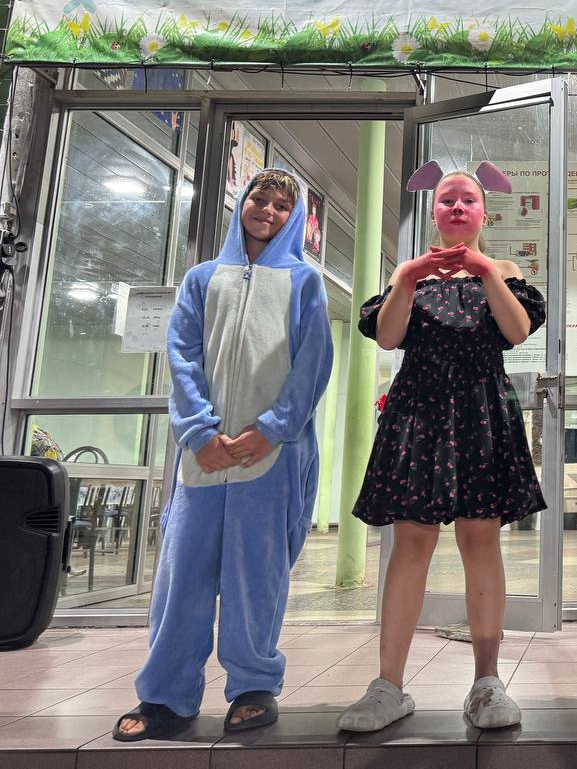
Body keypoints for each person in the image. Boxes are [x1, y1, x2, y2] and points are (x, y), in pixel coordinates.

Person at [113, 169, 334, 741]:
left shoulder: (304, 283)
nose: (268, 210)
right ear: (242, 203)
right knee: (181, 576)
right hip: (203, 458)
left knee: (257, 576)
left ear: (294, 218)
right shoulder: (202, 278)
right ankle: (165, 696)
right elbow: (182, 356)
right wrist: (198, 433)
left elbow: (313, 364)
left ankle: (254, 687)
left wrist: (273, 429)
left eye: (282, 205)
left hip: (271, 457)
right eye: (260, 198)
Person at [337, 166, 546, 733]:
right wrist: (406, 278)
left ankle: (487, 682)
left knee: (481, 540)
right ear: (433, 211)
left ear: (484, 213)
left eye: (467, 200)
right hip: (419, 413)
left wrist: (485, 271)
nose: (457, 207)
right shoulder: (408, 273)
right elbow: (387, 337)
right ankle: (389, 686)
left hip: (480, 411)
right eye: (447, 199)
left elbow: (517, 331)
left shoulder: (505, 271)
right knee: (411, 542)